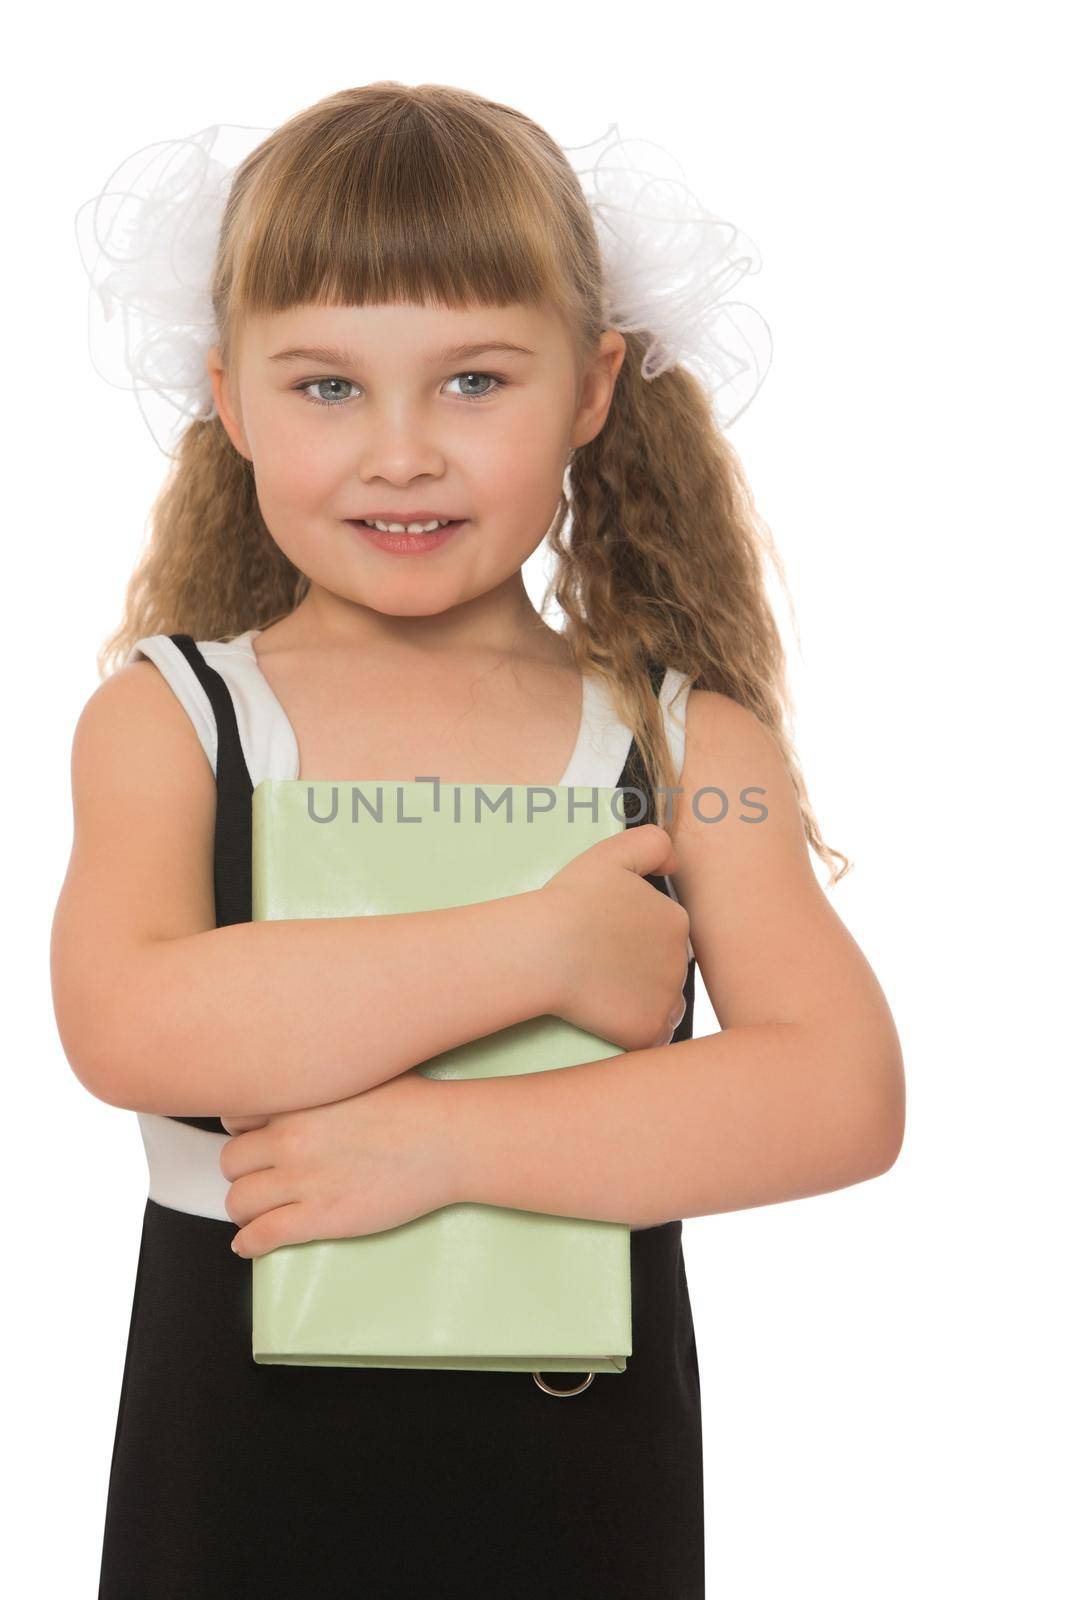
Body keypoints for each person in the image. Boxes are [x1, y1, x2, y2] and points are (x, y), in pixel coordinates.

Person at [52, 82, 905, 1599]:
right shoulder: (172, 718)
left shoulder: (691, 749)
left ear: (591, 386)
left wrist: (442, 1147)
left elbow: (837, 1091)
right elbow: (134, 1026)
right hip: (243, 1485)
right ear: (228, 397)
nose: (400, 454)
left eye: (473, 382)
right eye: (325, 387)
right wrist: (537, 948)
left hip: (578, 1493)